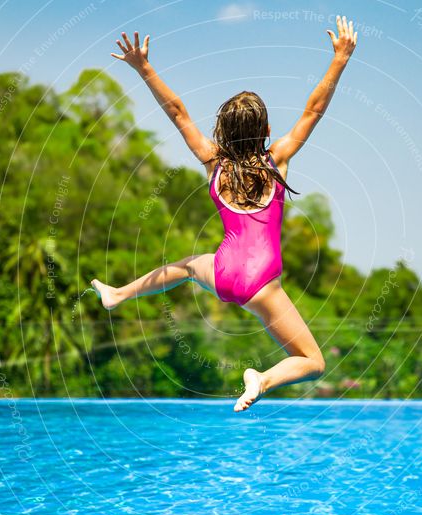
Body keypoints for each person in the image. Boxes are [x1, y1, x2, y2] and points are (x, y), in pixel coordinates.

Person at [92, 16, 358, 411]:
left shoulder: (213, 163)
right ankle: (262, 379)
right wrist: (340, 59)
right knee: (313, 361)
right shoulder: (276, 160)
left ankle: (118, 294)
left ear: (222, 131)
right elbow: (314, 109)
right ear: (266, 129)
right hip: (262, 282)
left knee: (184, 267)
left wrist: (143, 67)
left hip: (222, 273)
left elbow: (179, 113)